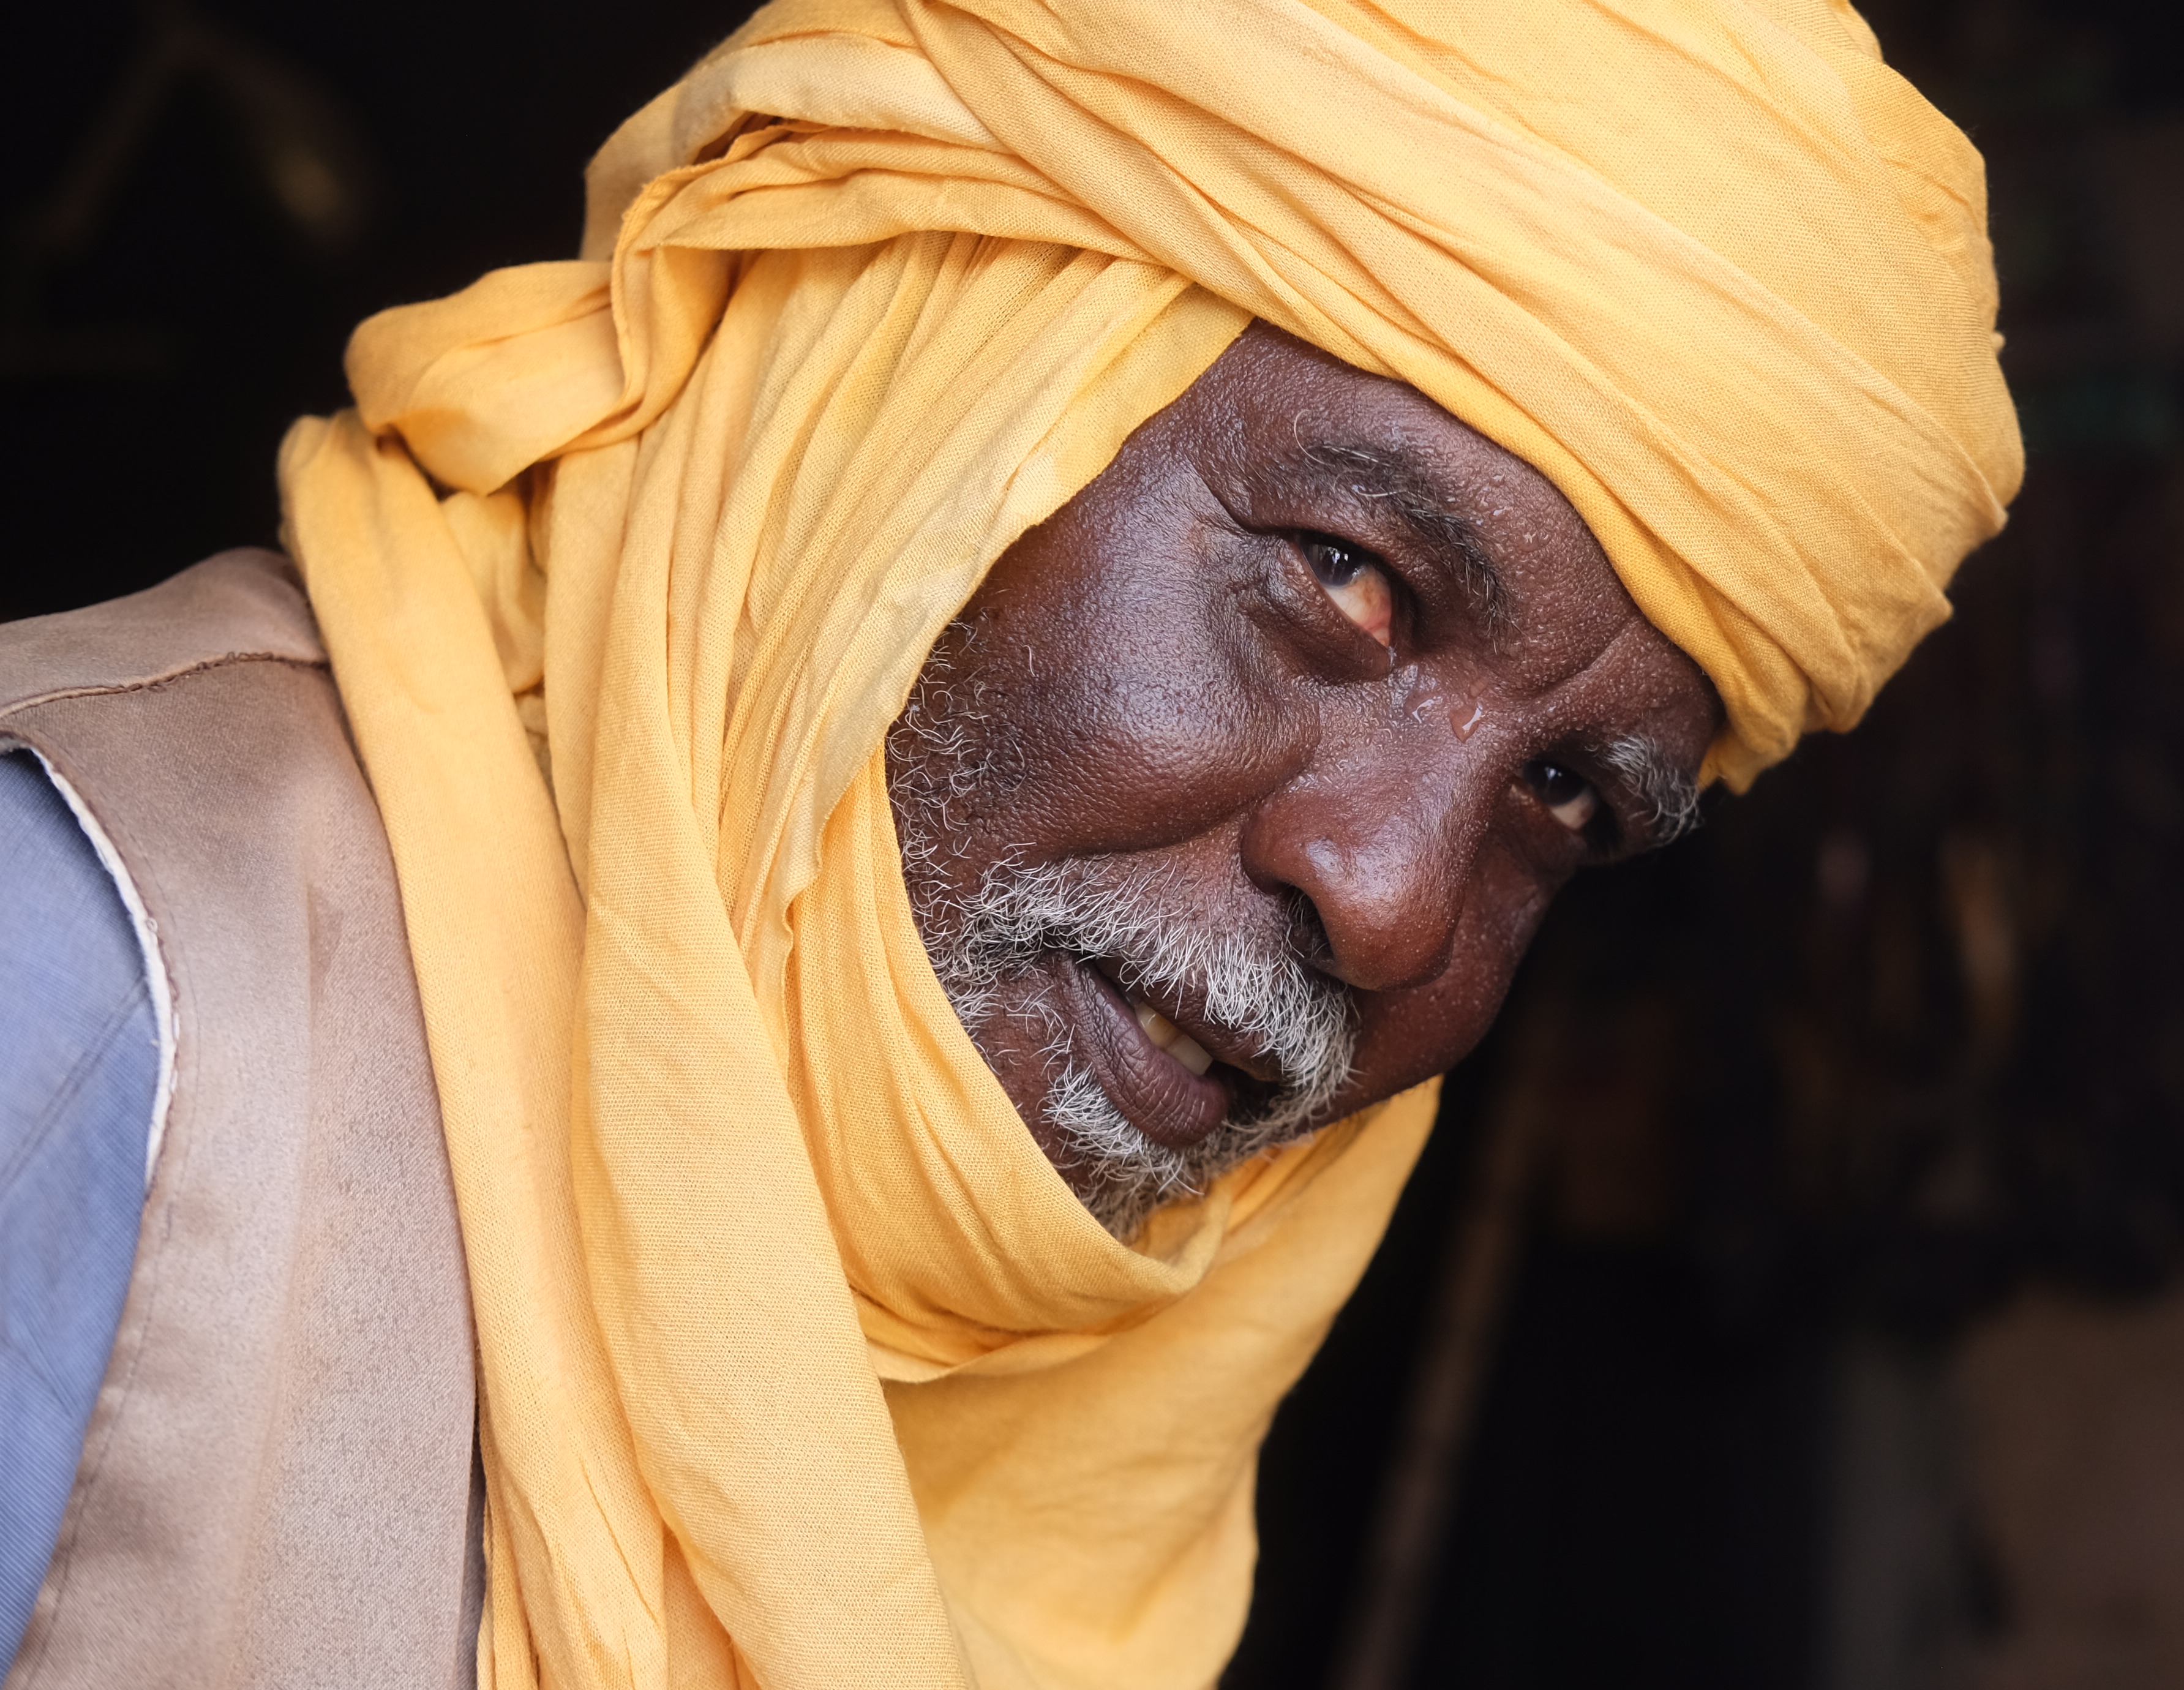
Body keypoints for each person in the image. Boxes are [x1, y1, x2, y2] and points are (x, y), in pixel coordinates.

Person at [0, 0, 2021, 1684]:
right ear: (907, 398)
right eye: (1346, 579)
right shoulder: (89, 986)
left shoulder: (1115, 1420)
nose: (1396, 901)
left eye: (1563, 803)